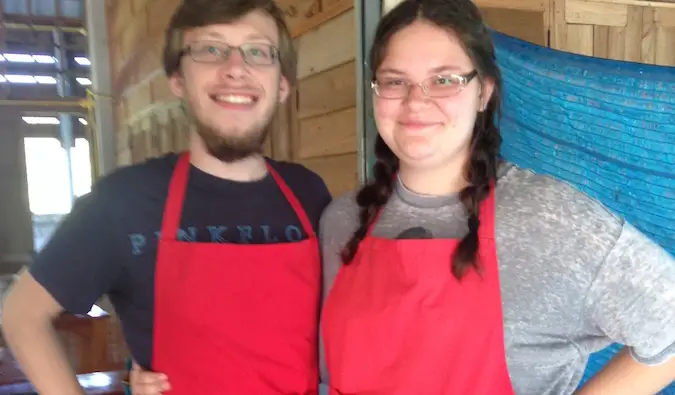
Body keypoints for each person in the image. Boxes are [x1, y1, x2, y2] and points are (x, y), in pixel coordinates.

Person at [316, 0, 675, 394]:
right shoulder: (341, 223)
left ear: (484, 92)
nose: (416, 101)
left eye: (444, 79)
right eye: (395, 80)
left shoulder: (550, 222)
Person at [0, 0, 331, 394]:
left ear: (282, 85)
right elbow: (22, 316)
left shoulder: (310, 194)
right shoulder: (124, 201)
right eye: (211, 49)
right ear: (178, 79)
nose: (236, 68)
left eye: (258, 51)